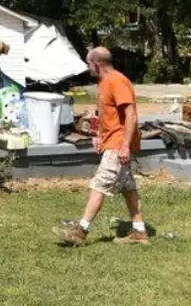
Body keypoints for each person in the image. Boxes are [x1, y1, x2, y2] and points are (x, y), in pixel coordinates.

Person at [58, 47, 147, 246]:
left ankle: (80, 232)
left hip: (118, 144)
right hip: (112, 142)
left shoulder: (117, 81)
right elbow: (109, 115)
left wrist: (124, 146)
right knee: (128, 187)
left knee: (99, 185)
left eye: (89, 64)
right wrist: (99, 135)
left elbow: (130, 115)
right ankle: (139, 232)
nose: (88, 68)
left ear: (97, 64)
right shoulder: (104, 82)